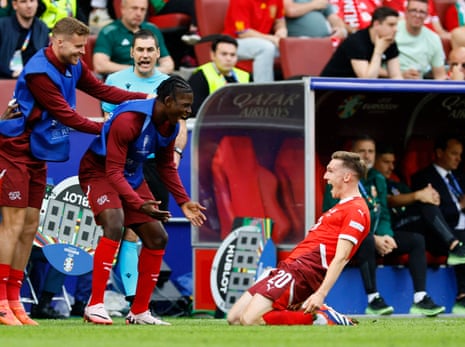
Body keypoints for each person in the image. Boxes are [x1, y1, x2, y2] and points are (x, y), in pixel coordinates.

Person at [0, 17, 148, 326]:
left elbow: (102, 90)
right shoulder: (40, 71)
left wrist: (144, 99)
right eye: (78, 48)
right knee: (13, 224)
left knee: (30, 225)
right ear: (58, 41)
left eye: (84, 47)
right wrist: (104, 125)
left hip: (38, 151)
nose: (82, 54)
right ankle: (1, 301)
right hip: (14, 149)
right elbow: (66, 115)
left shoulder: (74, 65)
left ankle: (15, 301)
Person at [79, 75, 207, 325]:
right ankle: (94, 305)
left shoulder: (170, 126)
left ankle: (139, 311)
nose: (188, 111)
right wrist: (138, 203)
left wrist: (183, 201)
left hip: (131, 175)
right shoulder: (129, 120)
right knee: (115, 224)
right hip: (99, 172)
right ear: (168, 101)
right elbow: (113, 172)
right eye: (184, 105)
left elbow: (165, 167)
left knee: (158, 237)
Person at [227, 151, 369, 326]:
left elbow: (341, 257)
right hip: (290, 266)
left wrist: (320, 294)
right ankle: (305, 312)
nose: (325, 176)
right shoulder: (341, 207)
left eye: (330, 171)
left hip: (303, 271)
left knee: (250, 320)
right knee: (233, 318)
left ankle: (320, 317)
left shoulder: (357, 210)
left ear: (347, 177)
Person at [324, 135, 445, 316]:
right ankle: (373, 300)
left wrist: (386, 235)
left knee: (416, 240)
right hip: (347, 239)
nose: (367, 155)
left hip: (376, 236)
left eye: (370, 151)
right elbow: (333, 215)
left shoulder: (378, 178)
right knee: (366, 241)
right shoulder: (340, 177)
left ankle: (420, 298)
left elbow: (384, 213)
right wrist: (374, 238)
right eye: (361, 151)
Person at [101, 28, 171, 304]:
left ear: (157, 53)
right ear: (131, 53)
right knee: (124, 228)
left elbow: (178, 126)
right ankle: (129, 298)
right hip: (125, 166)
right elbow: (107, 119)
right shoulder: (115, 81)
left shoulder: (168, 84)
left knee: (152, 230)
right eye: (139, 50)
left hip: (154, 166)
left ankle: (139, 300)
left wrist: (176, 150)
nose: (144, 55)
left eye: (149, 50)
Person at [411, 135, 465, 314]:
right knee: (462, 239)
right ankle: (462, 298)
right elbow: (434, 212)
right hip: (438, 235)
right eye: (453, 154)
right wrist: (460, 205)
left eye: (460, 154)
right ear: (439, 153)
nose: (458, 158)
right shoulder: (423, 177)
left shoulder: (459, 176)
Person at [92, 0, 174, 76]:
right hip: (124, 81)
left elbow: (168, 63)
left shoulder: (153, 29)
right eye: (134, 8)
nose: (139, 13)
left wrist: (152, 71)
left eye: (143, 9)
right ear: (123, 9)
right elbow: (100, 65)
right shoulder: (109, 32)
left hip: (154, 78)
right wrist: (137, 70)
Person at [321, 6, 403, 79]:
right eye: (391, 25)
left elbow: (396, 76)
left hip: (357, 91)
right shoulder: (356, 41)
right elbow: (367, 81)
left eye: (396, 25)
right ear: (376, 24)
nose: (395, 29)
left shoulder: (389, 42)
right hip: (332, 90)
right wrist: (378, 51)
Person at [223, 0, 287, 82]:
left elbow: (280, 20)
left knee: (297, 44)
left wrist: (281, 29)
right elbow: (243, 32)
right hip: (233, 43)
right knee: (266, 48)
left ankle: (301, 89)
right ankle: (264, 90)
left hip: (264, 40)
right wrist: (272, 39)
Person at [188, 35, 251, 117]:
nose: (229, 58)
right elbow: (194, 110)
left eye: (232, 55)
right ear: (213, 55)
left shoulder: (245, 76)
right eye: (224, 54)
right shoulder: (200, 76)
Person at [395, 0, 447, 80]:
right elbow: (373, 66)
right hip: (391, 83)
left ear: (427, 16)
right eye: (413, 10)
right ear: (406, 12)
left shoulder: (434, 38)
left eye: (422, 12)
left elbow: (440, 76)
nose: (417, 15)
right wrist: (399, 75)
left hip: (419, 86)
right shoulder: (393, 30)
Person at [0, 0, 49, 79]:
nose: (29, 5)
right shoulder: (2, 26)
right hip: (6, 80)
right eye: (23, 2)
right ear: (15, 5)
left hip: (33, 81)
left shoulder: (42, 28)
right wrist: (11, 73)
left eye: (32, 1)